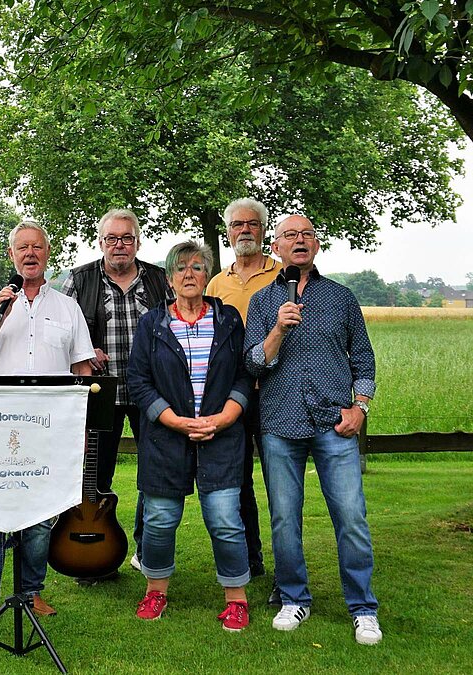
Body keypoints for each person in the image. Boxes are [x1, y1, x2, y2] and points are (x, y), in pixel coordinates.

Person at [243, 215, 382, 645]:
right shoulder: (265, 302)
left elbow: (364, 359)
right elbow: (253, 364)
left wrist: (360, 407)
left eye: (306, 235)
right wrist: (278, 331)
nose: (299, 241)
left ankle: (362, 608)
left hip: (335, 423)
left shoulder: (341, 298)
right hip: (280, 424)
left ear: (316, 245)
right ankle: (293, 598)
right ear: (277, 248)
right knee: (285, 519)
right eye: (290, 236)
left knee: (351, 517)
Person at [0, 219, 95, 625]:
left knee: (41, 513)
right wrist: (2, 317)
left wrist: (80, 427)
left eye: (37, 247)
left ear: (47, 254)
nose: (30, 254)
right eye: (22, 248)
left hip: (51, 426)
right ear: (11, 255)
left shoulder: (67, 307)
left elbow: (83, 370)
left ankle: (33, 592)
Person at [125, 240, 254, 632]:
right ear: (169, 278)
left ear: (207, 276)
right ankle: (155, 590)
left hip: (222, 436)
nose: (189, 275)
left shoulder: (229, 319)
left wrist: (226, 417)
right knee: (160, 520)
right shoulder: (152, 324)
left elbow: (244, 375)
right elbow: (139, 381)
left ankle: (236, 600)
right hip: (166, 438)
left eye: (197, 268)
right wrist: (176, 422)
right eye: (181, 268)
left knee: (225, 520)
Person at [60, 208, 171, 575]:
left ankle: (144, 550)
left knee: (153, 474)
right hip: (99, 391)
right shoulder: (80, 280)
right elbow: (62, 331)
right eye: (112, 238)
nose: (119, 245)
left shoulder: (158, 279)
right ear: (101, 242)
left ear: (137, 242)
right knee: (97, 477)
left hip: (150, 391)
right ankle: (96, 553)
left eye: (126, 238)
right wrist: (85, 349)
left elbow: (178, 326)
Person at [205, 197, 282, 582]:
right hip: (232, 396)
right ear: (228, 232)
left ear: (263, 230)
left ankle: (287, 561)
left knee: (278, 479)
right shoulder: (216, 283)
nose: (245, 230)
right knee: (238, 480)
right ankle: (251, 557)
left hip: (274, 392)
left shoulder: (281, 275)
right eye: (237, 225)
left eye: (252, 224)